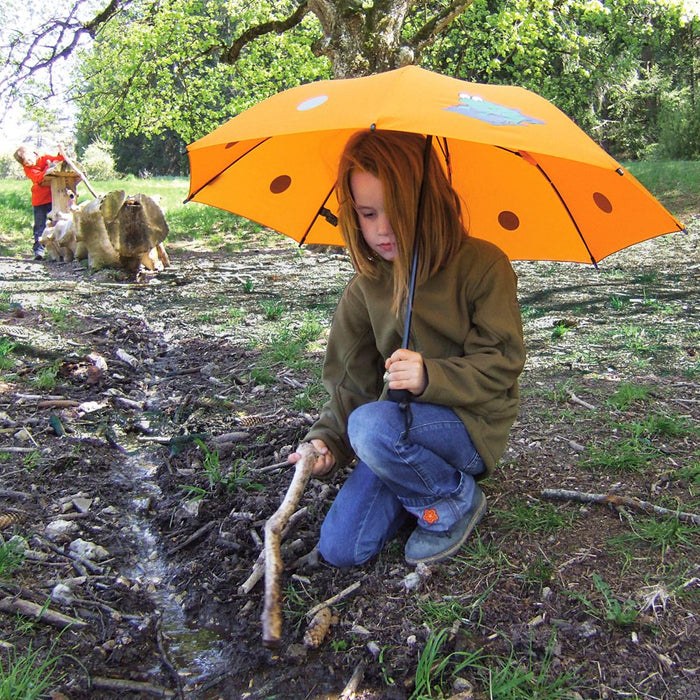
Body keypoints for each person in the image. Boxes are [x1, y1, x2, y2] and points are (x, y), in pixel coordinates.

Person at [288, 130, 526, 567]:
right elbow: (350, 383)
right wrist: (327, 442)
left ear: (427, 201)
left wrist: (430, 376)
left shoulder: (483, 265)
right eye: (368, 213)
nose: (382, 228)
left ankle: (454, 501)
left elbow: (502, 364)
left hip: (470, 426)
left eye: (395, 211)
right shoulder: (366, 288)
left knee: (372, 428)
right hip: (395, 432)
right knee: (342, 548)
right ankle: (416, 485)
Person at [13, 145, 65, 260]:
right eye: (26, 163)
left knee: (57, 223)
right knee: (40, 226)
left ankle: (59, 250)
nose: (30, 163)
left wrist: (61, 154)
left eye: (30, 160)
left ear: (34, 153)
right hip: (40, 200)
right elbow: (39, 178)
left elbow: (59, 160)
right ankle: (39, 251)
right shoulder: (28, 169)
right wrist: (49, 168)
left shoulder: (44, 158)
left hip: (53, 197)